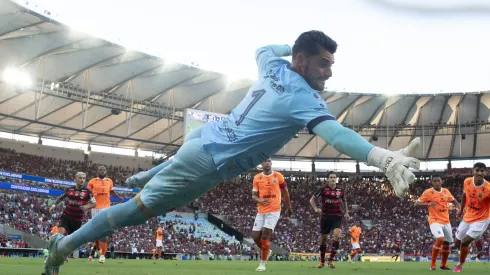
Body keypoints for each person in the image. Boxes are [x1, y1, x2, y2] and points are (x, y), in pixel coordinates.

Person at [43, 30, 420, 274]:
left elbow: (263, 48)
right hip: (208, 163)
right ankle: (63, 247)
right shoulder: (301, 97)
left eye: (331, 65)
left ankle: (148, 173)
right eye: (323, 63)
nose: (329, 73)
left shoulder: (272, 66)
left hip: (203, 137)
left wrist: (295, 48)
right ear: (303, 61)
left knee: (169, 172)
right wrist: (382, 158)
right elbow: (336, 134)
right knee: (133, 213)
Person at [251, 158, 292, 271]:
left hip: (274, 210)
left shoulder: (278, 176)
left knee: (265, 235)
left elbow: (285, 192)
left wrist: (289, 207)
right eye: (264, 161)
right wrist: (260, 201)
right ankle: (267, 250)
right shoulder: (257, 178)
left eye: (268, 160)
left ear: (271, 162)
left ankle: (263, 263)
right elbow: (253, 196)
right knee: (255, 237)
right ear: (261, 163)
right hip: (261, 210)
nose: (267, 163)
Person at [415, 175, 460, 270]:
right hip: (434, 220)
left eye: (438, 181)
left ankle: (443, 264)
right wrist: (428, 204)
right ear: (432, 182)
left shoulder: (445, 191)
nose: (437, 183)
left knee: (447, 243)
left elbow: (454, 200)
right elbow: (416, 203)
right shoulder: (428, 192)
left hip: (446, 221)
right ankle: (432, 264)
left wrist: (459, 208)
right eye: (435, 181)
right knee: (440, 239)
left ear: (441, 181)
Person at [453, 162, 489, 272]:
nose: (479, 173)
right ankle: (477, 239)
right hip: (468, 216)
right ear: (472, 171)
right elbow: (464, 195)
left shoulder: (488, 188)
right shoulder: (467, 181)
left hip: (481, 219)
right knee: (456, 243)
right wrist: (460, 210)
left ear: (485, 173)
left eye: (482, 171)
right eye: (477, 170)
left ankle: (459, 265)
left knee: (464, 242)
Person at [310, 171, 350, 268]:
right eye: (331, 177)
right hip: (326, 216)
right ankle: (322, 261)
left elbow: (344, 201)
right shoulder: (322, 189)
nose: (333, 179)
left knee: (337, 235)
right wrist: (316, 209)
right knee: (324, 239)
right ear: (327, 179)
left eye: (334, 177)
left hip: (337, 216)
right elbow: (311, 200)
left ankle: (331, 260)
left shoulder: (341, 189)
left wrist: (347, 212)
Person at [87, 166, 122, 263]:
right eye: (100, 170)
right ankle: (98, 249)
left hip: (106, 208)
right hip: (95, 208)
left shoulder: (109, 181)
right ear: (97, 171)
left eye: (103, 170)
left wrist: (119, 197)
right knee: (96, 233)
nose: (102, 171)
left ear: (106, 171)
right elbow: (87, 193)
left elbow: (111, 191)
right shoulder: (92, 181)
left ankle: (102, 255)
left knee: (106, 232)